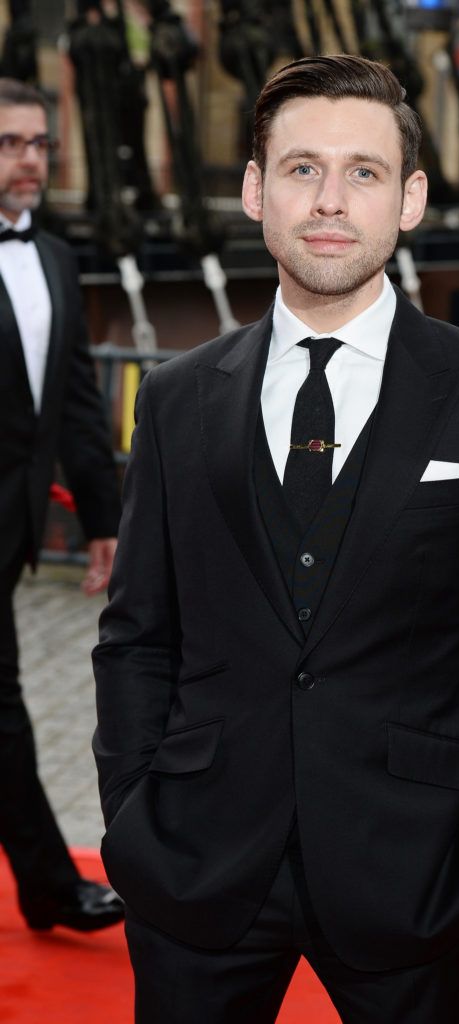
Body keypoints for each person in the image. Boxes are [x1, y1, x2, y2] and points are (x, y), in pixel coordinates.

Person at [93, 55, 459, 1022]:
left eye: (362, 173)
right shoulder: (181, 396)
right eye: (301, 168)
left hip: (416, 869)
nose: (329, 200)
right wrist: (134, 818)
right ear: (254, 193)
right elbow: (137, 630)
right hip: (199, 865)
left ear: (409, 200)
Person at [0, 77, 124, 932]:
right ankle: (49, 884)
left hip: (10, 533)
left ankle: (48, 886)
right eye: (11, 142)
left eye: (40, 143)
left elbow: (77, 402)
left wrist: (104, 519)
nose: (31, 159)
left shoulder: (53, 259)